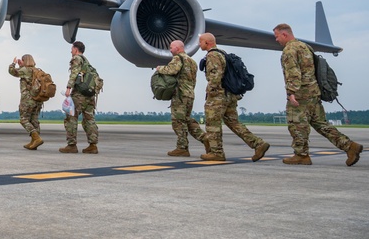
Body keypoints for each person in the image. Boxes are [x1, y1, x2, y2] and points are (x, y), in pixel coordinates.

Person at [273, 23, 362, 166]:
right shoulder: (305, 47)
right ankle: (350, 146)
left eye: (277, 36)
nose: (276, 40)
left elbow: (293, 73)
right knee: (322, 125)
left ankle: (301, 155)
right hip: (314, 93)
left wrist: (291, 93)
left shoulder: (289, 50)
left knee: (296, 124)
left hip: (301, 95)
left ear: (284, 34)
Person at [198, 32, 269, 162]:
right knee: (234, 123)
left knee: (212, 124)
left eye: (201, 42)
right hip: (230, 95)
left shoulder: (213, 55)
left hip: (218, 96)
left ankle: (216, 152)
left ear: (207, 43)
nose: (199, 44)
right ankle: (258, 144)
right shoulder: (223, 53)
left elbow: (215, 76)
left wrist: (211, 92)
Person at [155, 40, 206, 157]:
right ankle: (205, 138)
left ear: (178, 48)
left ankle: (182, 147)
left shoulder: (178, 58)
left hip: (180, 95)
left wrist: (160, 68)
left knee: (178, 122)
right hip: (190, 94)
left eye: (171, 47)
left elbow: (172, 70)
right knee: (186, 120)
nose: (170, 49)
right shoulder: (192, 62)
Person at [60, 41, 99, 154]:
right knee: (89, 119)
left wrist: (68, 88)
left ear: (76, 49)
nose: (71, 51)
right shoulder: (87, 62)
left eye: (72, 49)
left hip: (79, 94)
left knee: (71, 117)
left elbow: (74, 73)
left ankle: (71, 145)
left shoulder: (76, 58)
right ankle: (93, 145)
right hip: (90, 95)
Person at [8, 54, 45, 150]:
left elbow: (12, 72)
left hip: (28, 99)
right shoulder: (37, 70)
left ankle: (36, 138)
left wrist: (13, 63)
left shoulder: (25, 70)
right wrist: (21, 66)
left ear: (25, 61)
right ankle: (34, 142)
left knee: (23, 119)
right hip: (38, 99)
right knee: (34, 120)